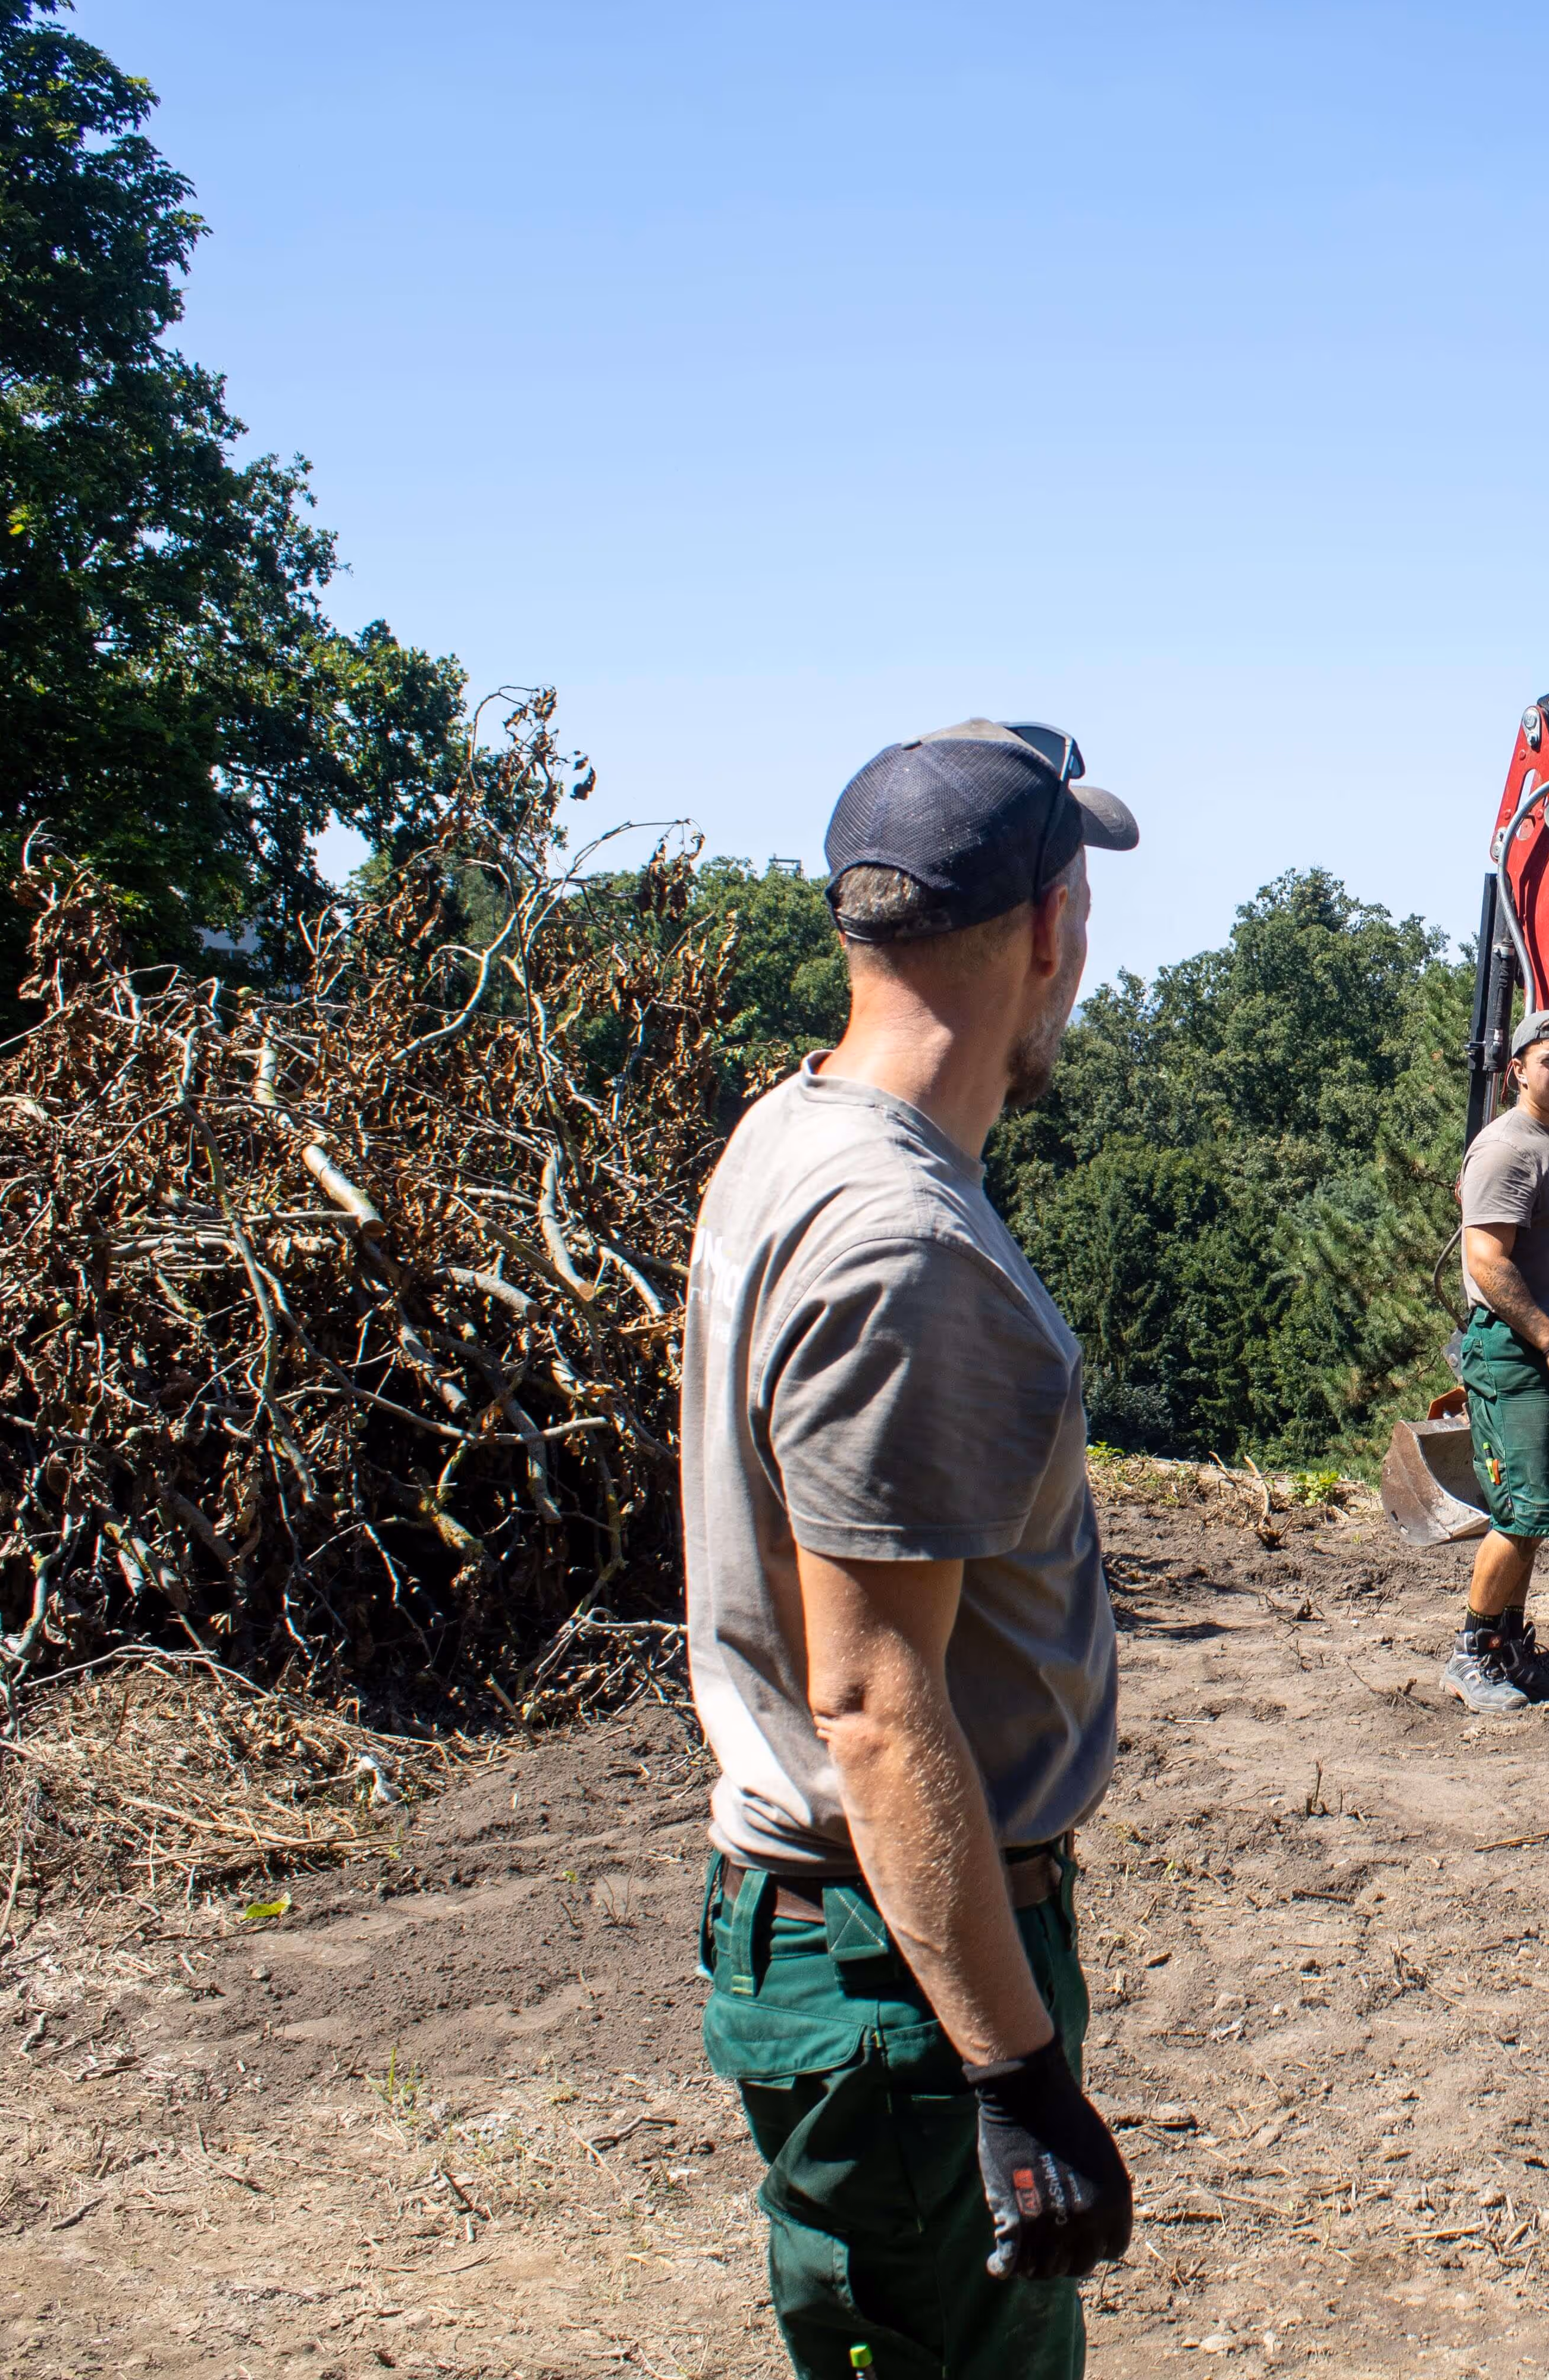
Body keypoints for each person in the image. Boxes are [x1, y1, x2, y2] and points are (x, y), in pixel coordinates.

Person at [682, 719, 1138, 2378]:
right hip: (903, 1980)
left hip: (862, 1948)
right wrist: (1014, 2074)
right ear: (1045, 932)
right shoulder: (906, 1244)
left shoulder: (789, 1136)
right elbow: (874, 1702)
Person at [1444, 1009, 1549, 1713]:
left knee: (1539, 1512)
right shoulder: (1508, 1147)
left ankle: (1509, 1645)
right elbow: (1487, 1262)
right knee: (1521, 1512)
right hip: (1517, 1356)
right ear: (1517, 1069)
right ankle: (1469, 1656)